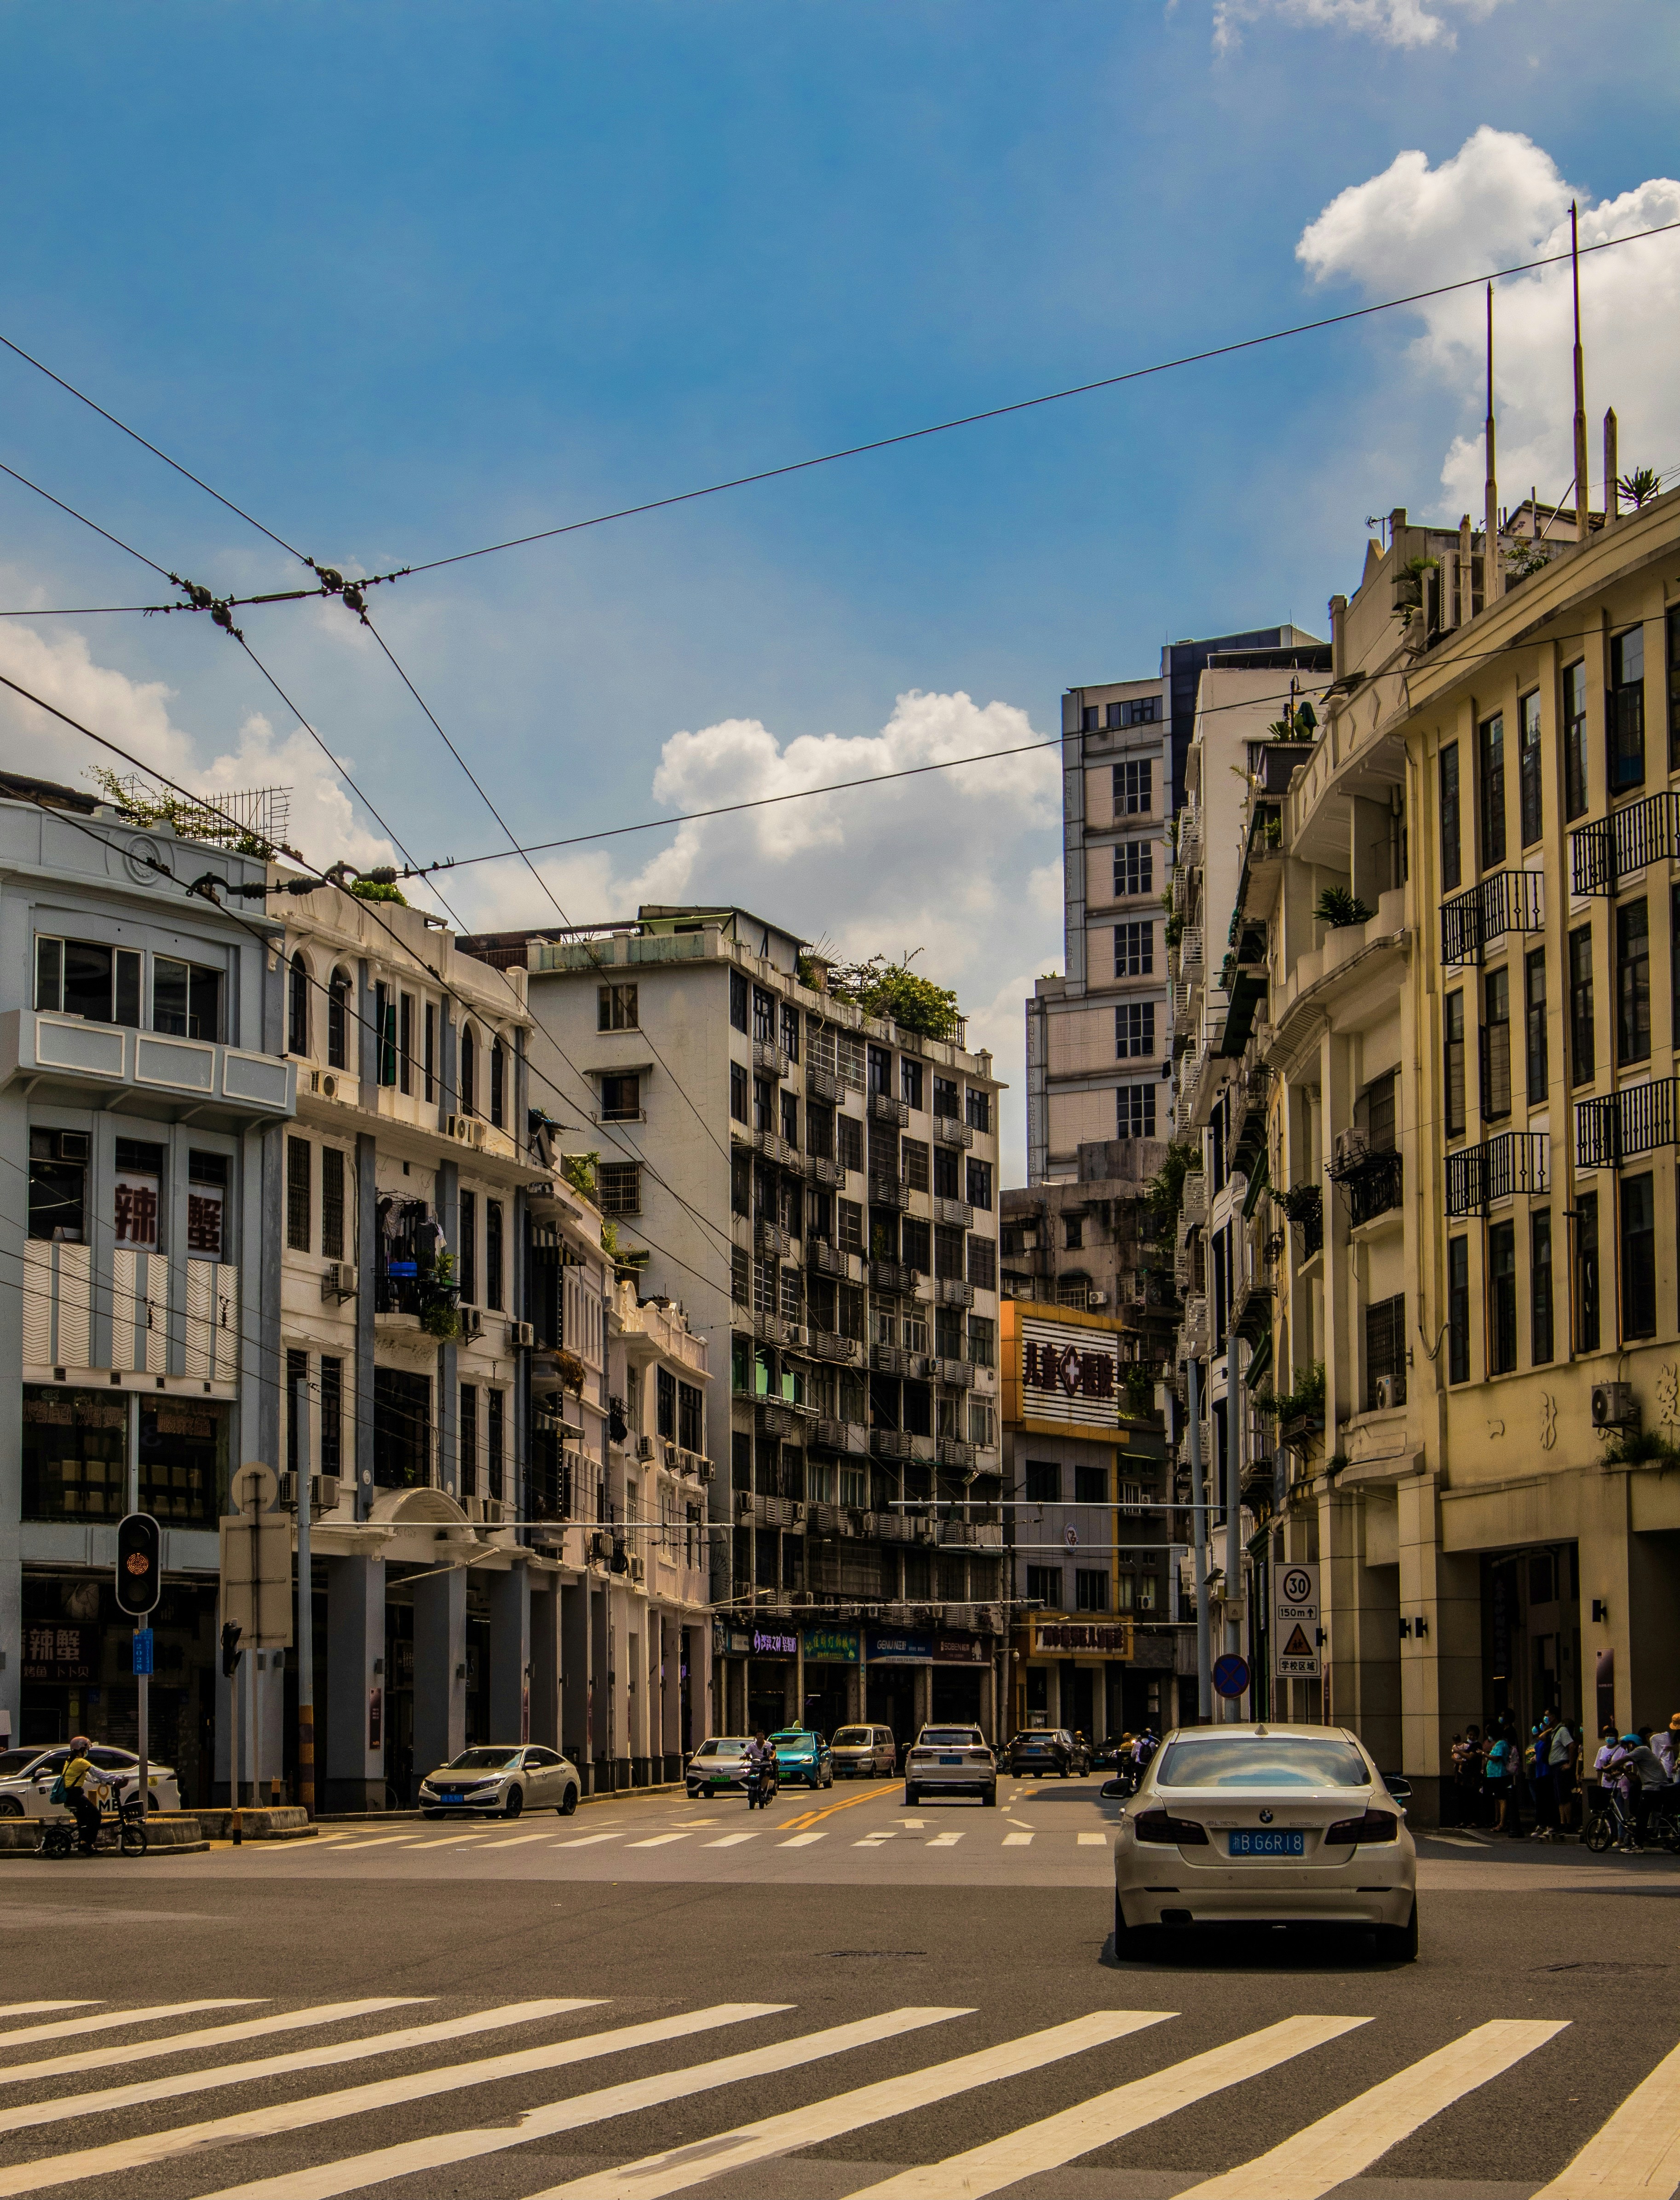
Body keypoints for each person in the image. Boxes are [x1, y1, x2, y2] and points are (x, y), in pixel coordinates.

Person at [59, 1737, 108, 1856]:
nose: (86, 1752)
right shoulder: (81, 1762)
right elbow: (98, 1773)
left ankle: (84, 1843)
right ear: (80, 1749)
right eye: (85, 1749)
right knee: (96, 1815)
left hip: (71, 1796)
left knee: (84, 1820)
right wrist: (116, 1780)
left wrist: (106, 1782)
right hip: (75, 1796)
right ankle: (87, 1843)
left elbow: (91, 1778)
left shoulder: (70, 1761)